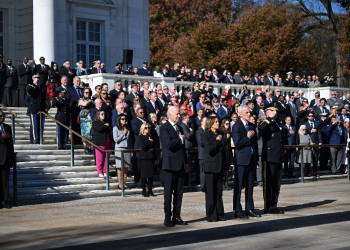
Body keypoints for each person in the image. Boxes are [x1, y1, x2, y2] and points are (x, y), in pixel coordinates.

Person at [159, 106, 189, 227]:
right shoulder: (164, 128)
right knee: (168, 193)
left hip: (180, 164)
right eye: (177, 114)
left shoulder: (180, 127)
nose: (179, 116)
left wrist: (186, 162)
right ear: (170, 114)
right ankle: (167, 217)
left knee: (179, 192)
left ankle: (176, 215)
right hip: (169, 164)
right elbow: (169, 144)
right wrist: (180, 139)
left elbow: (183, 148)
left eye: (179, 114)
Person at [233, 105, 260, 218]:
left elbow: (255, 145)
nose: (249, 114)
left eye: (249, 112)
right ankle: (238, 210)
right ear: (240, 114)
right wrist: (247, 137)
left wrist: (256, 159)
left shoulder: (252, 126)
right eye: (246, 113)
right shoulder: (236, 126)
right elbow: (237, 143)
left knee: (250, 186)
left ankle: (249, 208)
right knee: (239, 186)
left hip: (251, 159)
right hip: (241, 160)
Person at [258, 103, 285, 214]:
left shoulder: (277, 123)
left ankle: (274, 205)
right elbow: (261, 128)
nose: (276, 112)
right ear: (268, 111)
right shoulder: (265, 121)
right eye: (273, 110)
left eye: (276, 111)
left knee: (276, 183)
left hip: (278, 156)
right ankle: (268, 206)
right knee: (268, 183)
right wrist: (268, 118)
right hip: (269, 157)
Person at [201, 116, 227, 222]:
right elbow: (210, 150)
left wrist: (225, 167)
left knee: (218, 192)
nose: (218, 123)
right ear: (211, 123)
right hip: (210, 167)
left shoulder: (220, 134)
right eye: (216, 122)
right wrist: (217, 141)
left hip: (220, 167)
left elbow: (223, 152)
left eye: (218, 121)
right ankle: (211, 215)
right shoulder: (205, 135)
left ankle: (220, 214)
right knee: (211, 192)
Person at [0, 110, 15, 209]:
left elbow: (11, 145)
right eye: (0, 116)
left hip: (6, 159)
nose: (2, 118)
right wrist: (1, 137)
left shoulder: (7, 127)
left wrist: (12, 159)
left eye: (3, 116)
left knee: (5, 182)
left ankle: (4, 201)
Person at [26, 74, 46, 144]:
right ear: (33, 79)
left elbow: (43, 98)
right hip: (34, 108)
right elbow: (28, 91)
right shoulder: (30, 86)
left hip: (41, 108)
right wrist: (33, 84)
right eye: (36, 78)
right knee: (35, 124)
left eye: (38, 78)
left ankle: (40, 138)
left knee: (41, 125)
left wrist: (45, 108)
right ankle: (36, 139)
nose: (38, 79)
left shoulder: (42, 87)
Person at [113, 114, 131, 189]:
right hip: (119, 149)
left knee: (126, 166)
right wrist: (123, 134)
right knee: (120, 167)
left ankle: (124, 183)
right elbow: (116, 140)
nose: (124, 120)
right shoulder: (115, 128)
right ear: (119, 120)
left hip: (126, 148)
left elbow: (128, 139)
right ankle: (120, 184)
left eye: (125, 119)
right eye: (122, 119)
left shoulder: (127, 128)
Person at [138, 123, 157, 197]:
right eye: (146, 128)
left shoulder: (150, 136)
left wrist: (155, 158)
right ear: (143, 128)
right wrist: (150, 142)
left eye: (148, 128)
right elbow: (143, 147)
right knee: (144, 175)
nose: (147, 129)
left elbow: (154, 148)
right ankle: (144, 191)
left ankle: (150, 190)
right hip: (144, 157)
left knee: (150, 175)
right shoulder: (141, 137)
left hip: (150, 157)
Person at [92, 110, 112, 178]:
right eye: (102, 114)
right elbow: (99, 129)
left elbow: (110, 129)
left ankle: (105, 171)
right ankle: (100, 172)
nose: (104, 115)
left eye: (104, 114)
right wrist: (105, 126)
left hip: (108, 141)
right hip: (100, 142)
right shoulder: (95, 122)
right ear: (98, 115)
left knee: (106, 158)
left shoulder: (107, 122)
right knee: (99, 158)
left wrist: (106, 125)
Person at [303, 112, 322, 177]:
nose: (311, 117)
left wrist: (320, 142)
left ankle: (315, 171)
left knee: (315, 158)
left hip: (315, 142)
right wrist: (311, 131)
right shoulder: (305, 124)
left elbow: (319, 133)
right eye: (310, 116)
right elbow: (303, 132)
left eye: (312, 116)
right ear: (307, 117)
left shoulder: (317, 124)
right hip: (308, 142)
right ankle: (308, 172)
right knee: (308, 158)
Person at [65, 76, 82, 144]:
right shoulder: (70, 89)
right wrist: (69, 110)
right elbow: (67, 100)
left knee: (80, 126)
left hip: (81, 111)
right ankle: (74, 140)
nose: (78, 82)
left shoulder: (81, 89)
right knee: (74, 126)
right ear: (73, 82)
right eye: (77, 81)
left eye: (79, 81)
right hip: (73, 111)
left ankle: (79, 140)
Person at [78, 87, 93, 154]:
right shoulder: (81, 99)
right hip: (83, 118)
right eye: (86, 92)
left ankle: (89, 147)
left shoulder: (91, 100)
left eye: (88, 92)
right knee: (84, 133)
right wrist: (90, 101)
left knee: (89, 133)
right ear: (83, 93)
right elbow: (84, 104)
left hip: (90, 118)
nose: (87, 94)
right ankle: (85, 147)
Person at [220, 118, 233, 191]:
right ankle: (223, 184)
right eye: (226, 124)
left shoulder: (229, 132)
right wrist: (226, 138)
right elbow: (221, 143)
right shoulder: (221, 132)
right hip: (223, 152)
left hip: (228, 152)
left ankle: (226, 183)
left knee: (227, 169)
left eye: (229, 124)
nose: (228, 125)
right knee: (223, 168)